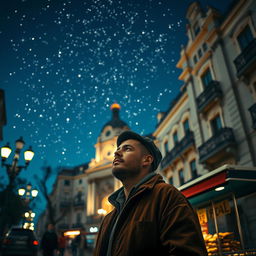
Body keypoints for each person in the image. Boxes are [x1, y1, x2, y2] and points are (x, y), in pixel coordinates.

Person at [93, 131, 208, 256]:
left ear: (146, 160)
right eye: (118, 149)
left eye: (127, 149)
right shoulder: (109, 217)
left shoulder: (167, 196)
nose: (116, 153)